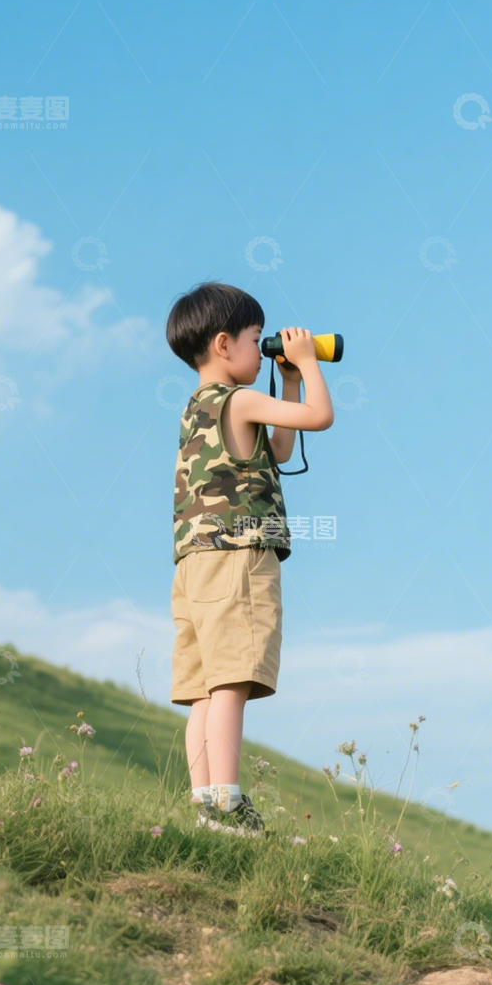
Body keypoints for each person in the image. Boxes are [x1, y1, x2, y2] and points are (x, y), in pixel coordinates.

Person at [165, 282, 334, 831]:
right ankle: (230, 803)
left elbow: (279, 449)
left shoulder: (198, 406)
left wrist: (282, 376)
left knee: (202, 689)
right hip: (238, 554)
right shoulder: (239, 399)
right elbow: (318, 417)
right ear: (223, 344)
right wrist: (307, 364)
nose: (262, 348)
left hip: (193, 562)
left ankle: (204, 805)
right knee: (232, 681)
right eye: (256, 339)